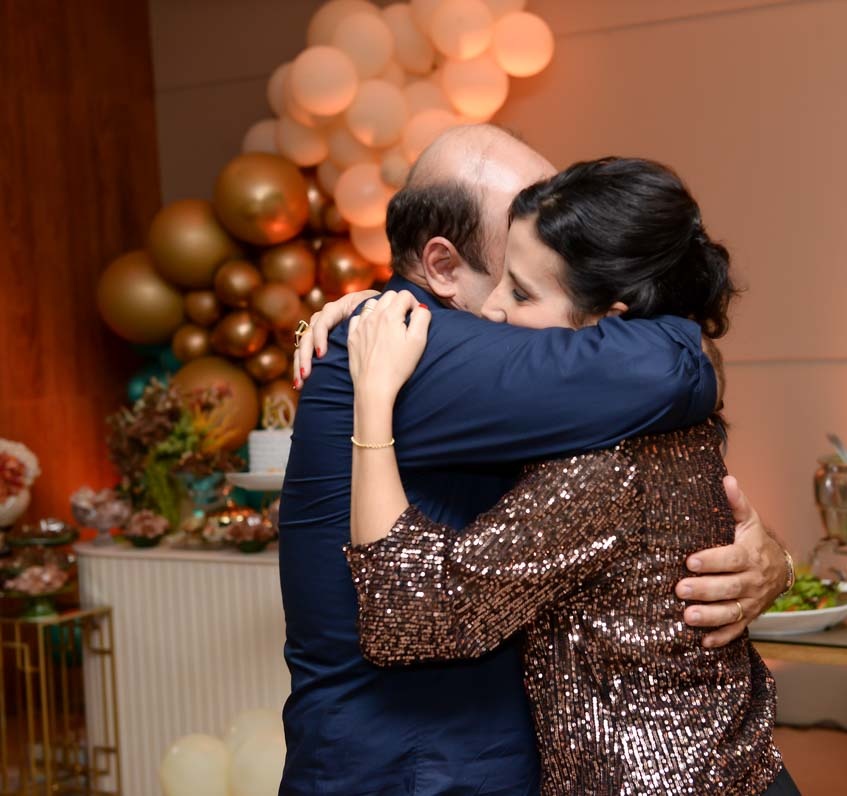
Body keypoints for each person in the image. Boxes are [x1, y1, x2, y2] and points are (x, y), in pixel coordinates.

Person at [280, 125, 792, 794]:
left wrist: (769, 557)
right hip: (413, 772)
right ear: (443, 266)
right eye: (512, 266)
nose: (553, 240)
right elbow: (671, 363)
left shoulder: (515, 369)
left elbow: (645, 499)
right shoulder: (419, 354)